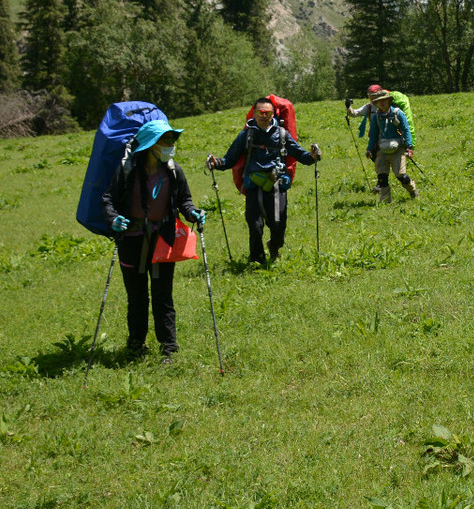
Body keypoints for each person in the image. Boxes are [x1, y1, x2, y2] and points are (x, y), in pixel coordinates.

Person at [101, 119, 204, 362]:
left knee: (162, 296)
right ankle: (136, 346)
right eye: (165, 140)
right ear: (150, 145)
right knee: (136, 297)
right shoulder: (127, 171)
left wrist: (192, 213)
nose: (171, 145)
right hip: (131, 242)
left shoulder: (174, 170)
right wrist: (113, 219)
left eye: (172, 140)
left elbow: (185, 201)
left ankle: (169, 348)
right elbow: (108, 199)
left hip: (163, 241)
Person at [208, 96, 322, 265]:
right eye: (260, 112)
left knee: (278, 225)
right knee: (255, 226)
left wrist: (312, 156)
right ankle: (257, 261)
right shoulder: (245, 135)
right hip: (254, 186)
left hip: (277, 185)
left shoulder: (282, 135)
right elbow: (230, 159)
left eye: (267, 113)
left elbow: (300, 155)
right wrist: (216, 163)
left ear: (273, 114)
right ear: (254, 114)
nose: (263, 116)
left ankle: (274, 246)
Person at [365, 88, 417, 203]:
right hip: (382, 150)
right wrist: (369, 149)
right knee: (382, 177)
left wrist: (409, 146)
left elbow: (406, 130)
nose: (382, 103)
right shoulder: (376, 117)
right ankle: (385, 201)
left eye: (384, 100)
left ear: (389, 101)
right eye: (379, 101)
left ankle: (412, 190)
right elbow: (373, 135)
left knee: (401, 176)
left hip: (398, 149)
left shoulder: (398, 114)